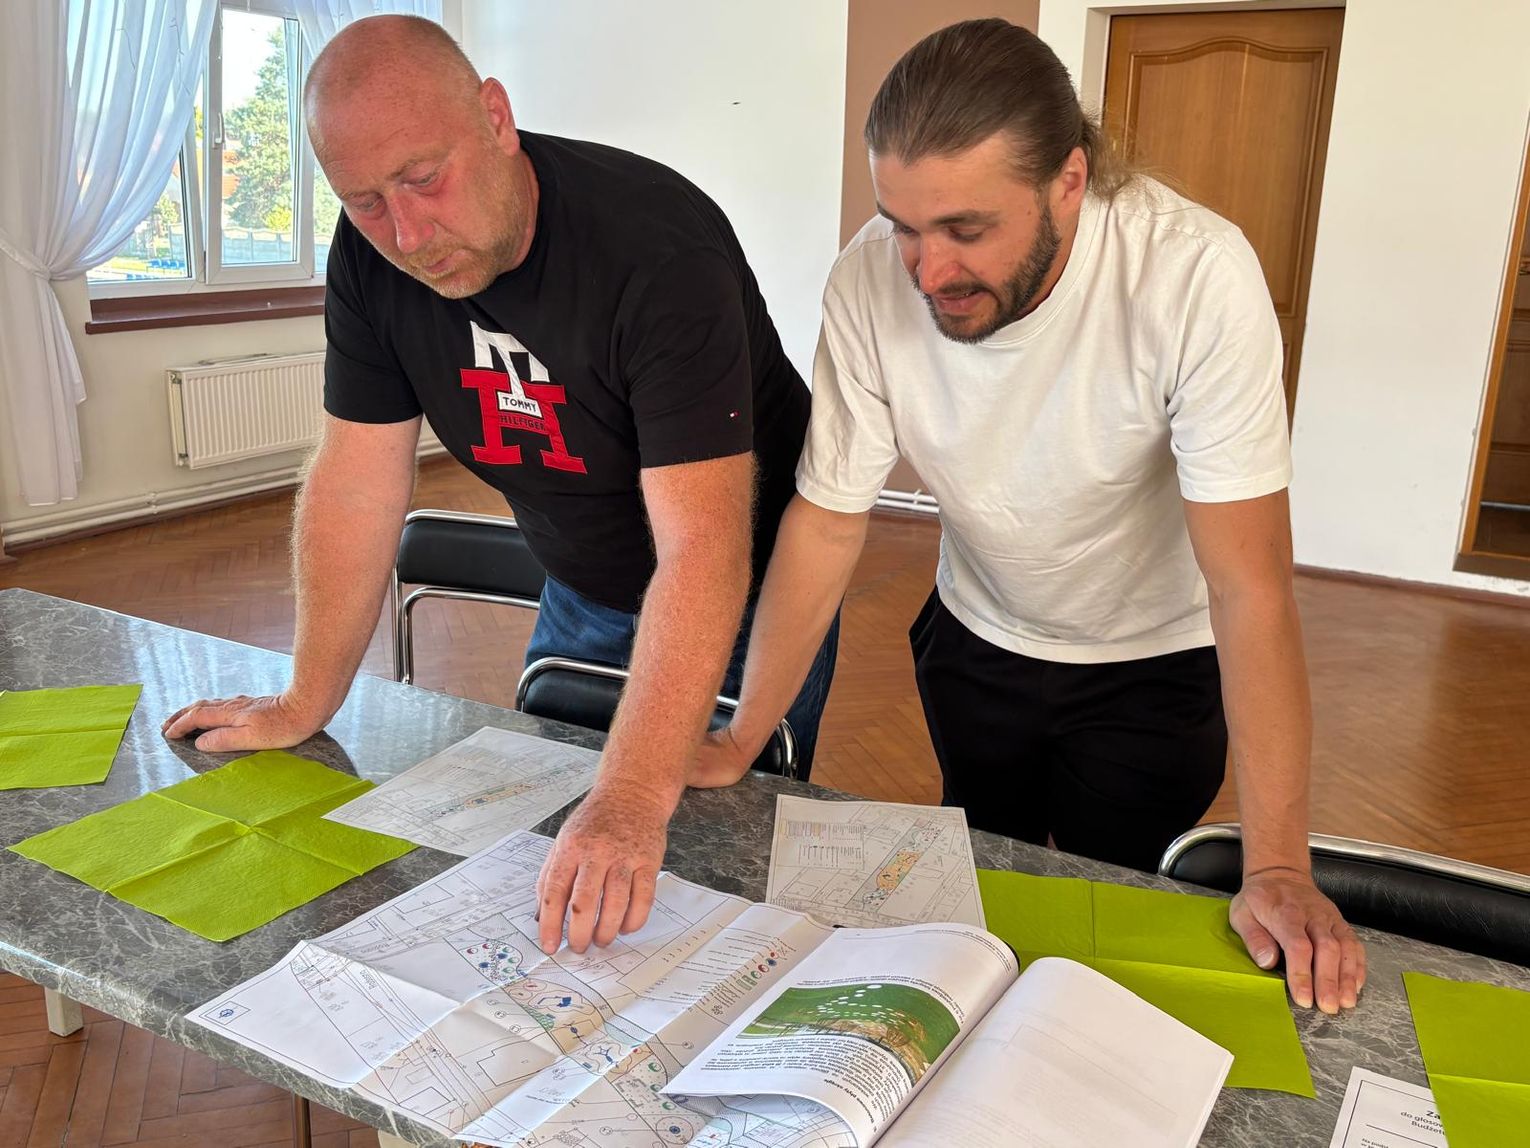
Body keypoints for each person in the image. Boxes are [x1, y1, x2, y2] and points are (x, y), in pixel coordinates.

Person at [689, 19, 1364, 1015]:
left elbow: (1248, 585)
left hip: (1149, 667)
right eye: (902, 225)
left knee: (1105, 927)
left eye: (966, 230)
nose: (926, 271)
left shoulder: (1192, 276)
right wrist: (745, 732)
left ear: (1069, 182)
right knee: (980, 892)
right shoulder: (867, 280)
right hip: (975, 639)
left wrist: (1277, 866)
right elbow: (827, 522)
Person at [161, 15, 837, 957]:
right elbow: (356, 484)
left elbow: (702, 547)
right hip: (582, 578)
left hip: (745, 599)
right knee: (547, 877)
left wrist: (631, 795)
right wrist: (305, 697)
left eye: (423, 179)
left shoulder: (654, 251)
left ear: (495, 117)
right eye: (365, 201)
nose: (407, 235)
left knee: (710, 893)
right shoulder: (370, 259)